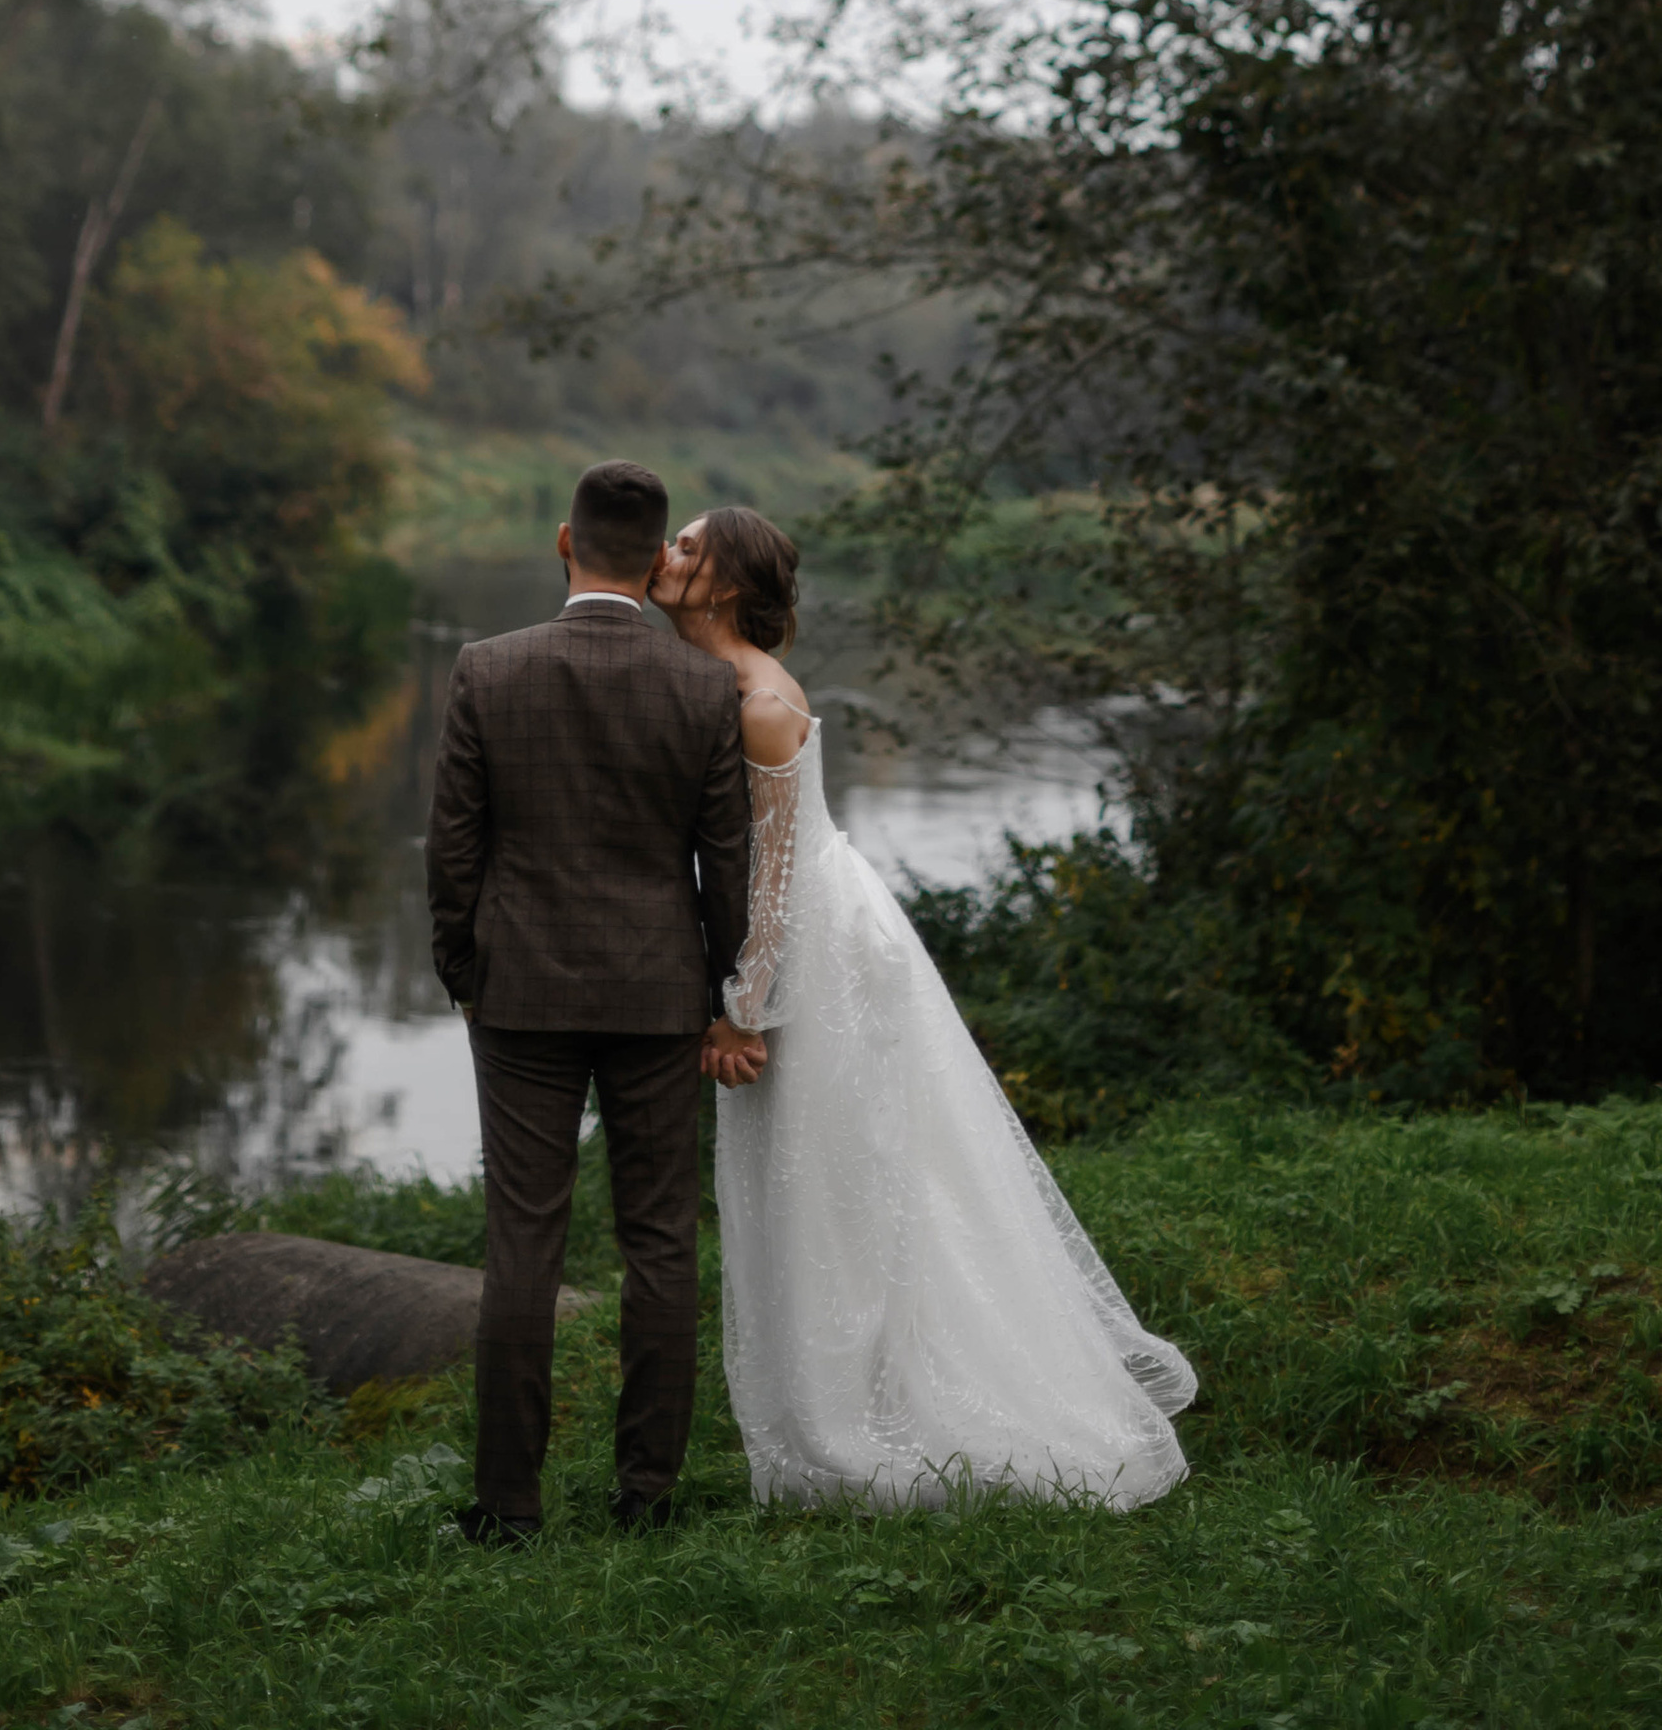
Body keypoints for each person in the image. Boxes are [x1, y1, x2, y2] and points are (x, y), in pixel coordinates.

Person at [653, 504, 1196, 1510]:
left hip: (817, 953)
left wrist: (742, 1008)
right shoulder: (702, 681)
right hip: (795, 943)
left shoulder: (759, 699)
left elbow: (771, 876)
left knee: (840, 1173)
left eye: (686, 545)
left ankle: (879, 1414)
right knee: (817, 1174)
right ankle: (847, 1392)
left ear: (725, 584)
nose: (666, 553)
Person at [425, 457, 754, 1544]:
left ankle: (508, 1506)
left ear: (563, 543)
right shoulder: (706, 691)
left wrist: (466, 978)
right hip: (659, 992)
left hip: (519, 993)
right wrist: (721, 993)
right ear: (658, 557)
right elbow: (726, 868)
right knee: (659, 1239)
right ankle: (646, 1493)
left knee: (524, 1242)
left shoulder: (486, 668)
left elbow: (453, 853)